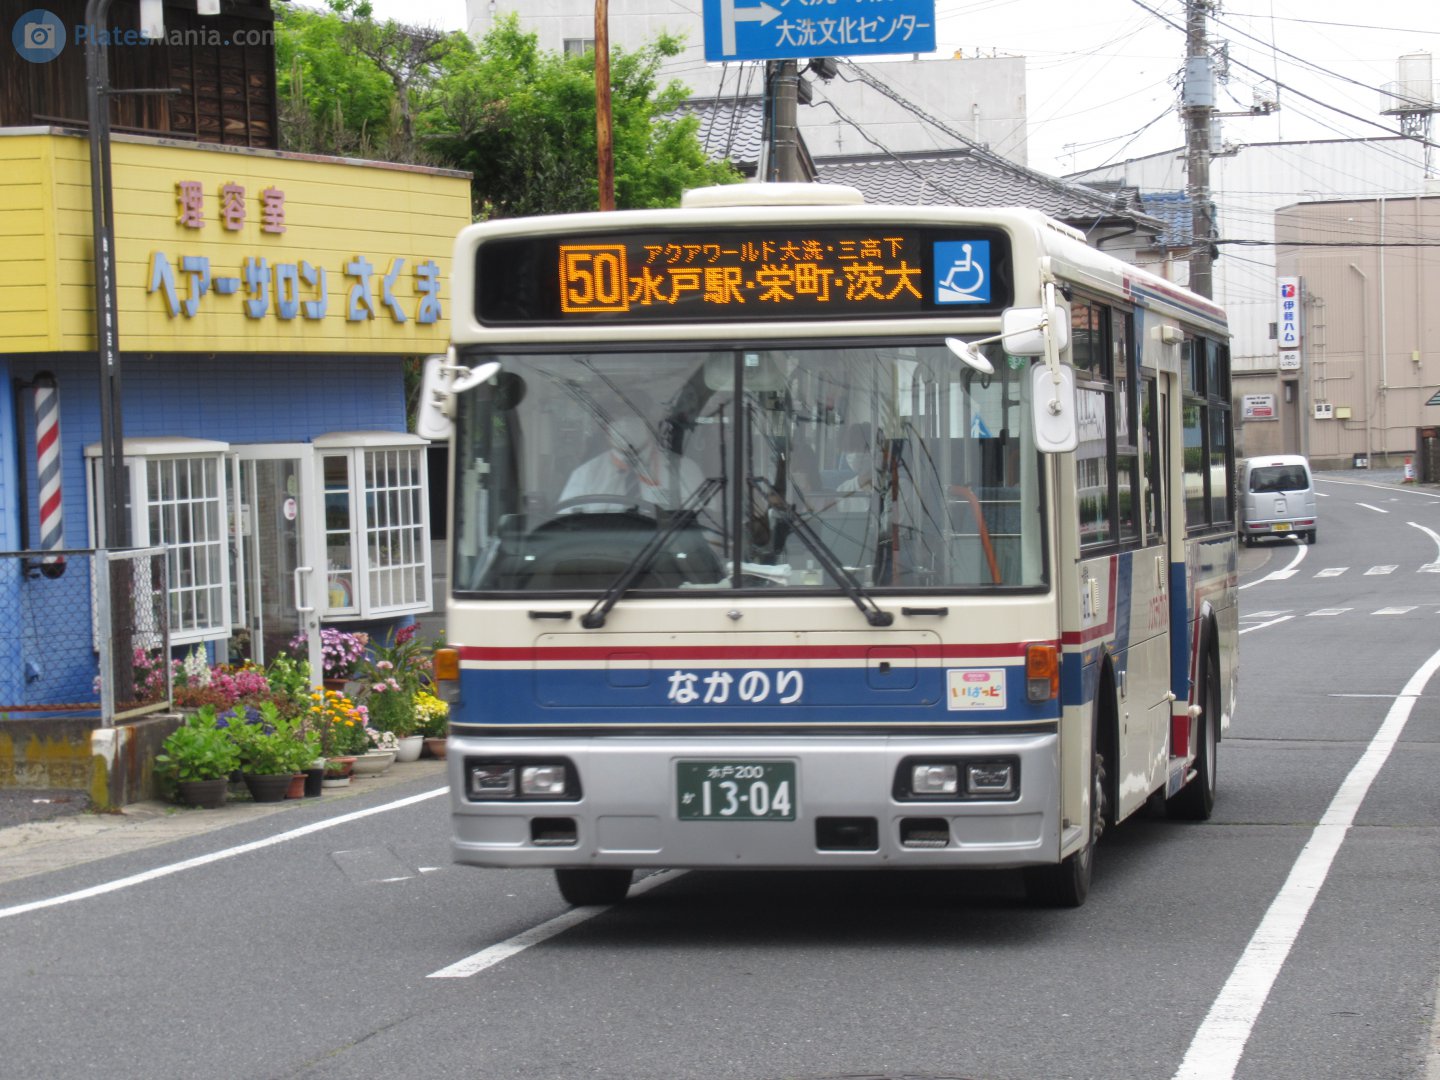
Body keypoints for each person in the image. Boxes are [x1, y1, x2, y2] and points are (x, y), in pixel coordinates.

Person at [558, 414, 705, 514]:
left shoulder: (683, 470)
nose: (625, 423)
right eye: (617, 417)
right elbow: (566, 527)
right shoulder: (585, 475)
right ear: (606, 430)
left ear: (649, 425)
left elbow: (704, 526)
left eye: (633, 416)